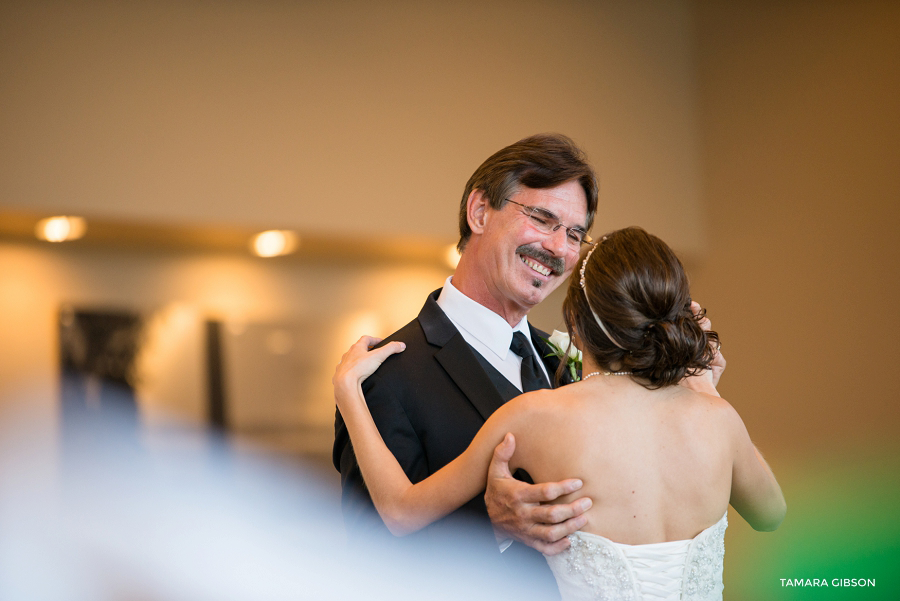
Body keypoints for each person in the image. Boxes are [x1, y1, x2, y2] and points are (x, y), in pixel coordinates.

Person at [334, 226, 786, 601]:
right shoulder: (717, 417)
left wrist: (349, 391)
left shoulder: (533, 416)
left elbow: (398, 512)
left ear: (576, 323)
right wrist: (706, 392)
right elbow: (771, 514)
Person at [333, 133, 601, 594]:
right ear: (480, 212)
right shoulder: (387, 375)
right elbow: (368, 560)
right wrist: (492, 530)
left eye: (574, 234)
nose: (559, 248)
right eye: (543, 219)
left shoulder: (571, 364)